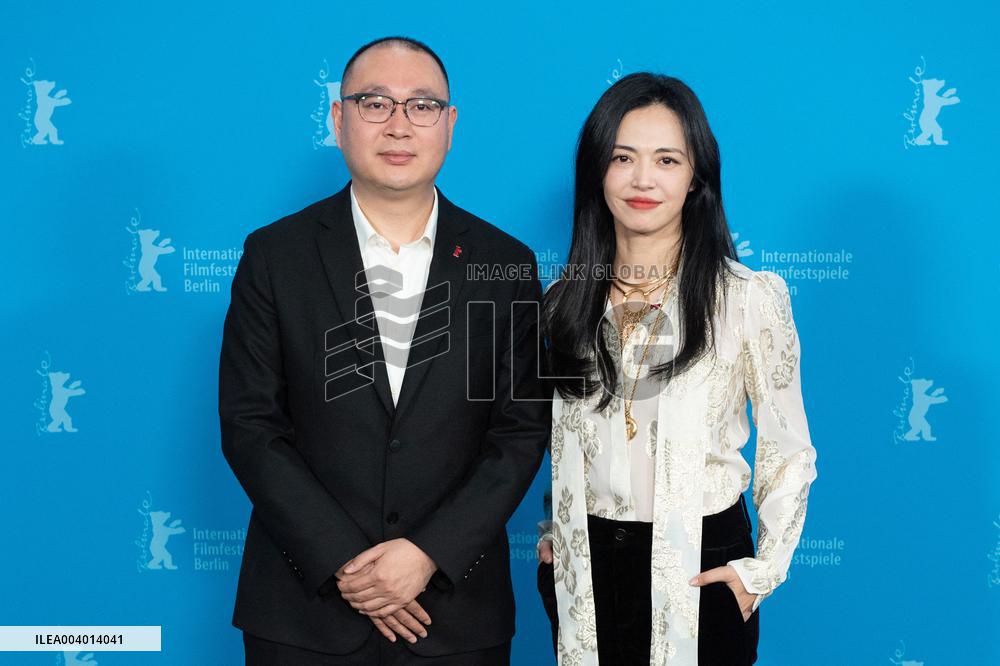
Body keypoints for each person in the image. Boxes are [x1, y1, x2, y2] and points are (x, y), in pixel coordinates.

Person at [219, 35, 550, 665]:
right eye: (375, 103)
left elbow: (521, 430)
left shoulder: (504, 263)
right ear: (338, 119)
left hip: (454, 615)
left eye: (422, 106)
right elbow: (250, 425)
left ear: (449, 126)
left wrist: (427, 555)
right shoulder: (274, 256)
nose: (399, 125)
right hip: (304, 611)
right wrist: (348, 563)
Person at [536, 72, 818, 665]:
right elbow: (565, 440)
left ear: (696, 178)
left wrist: (759, 572)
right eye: (623, 157)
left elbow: (788, 451)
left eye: (667, 159)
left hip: (702, 563)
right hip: (584, 573)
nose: (643, 179)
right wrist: (553, 535)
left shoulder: (746, 298)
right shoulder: (564, 299)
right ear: (597, 172)